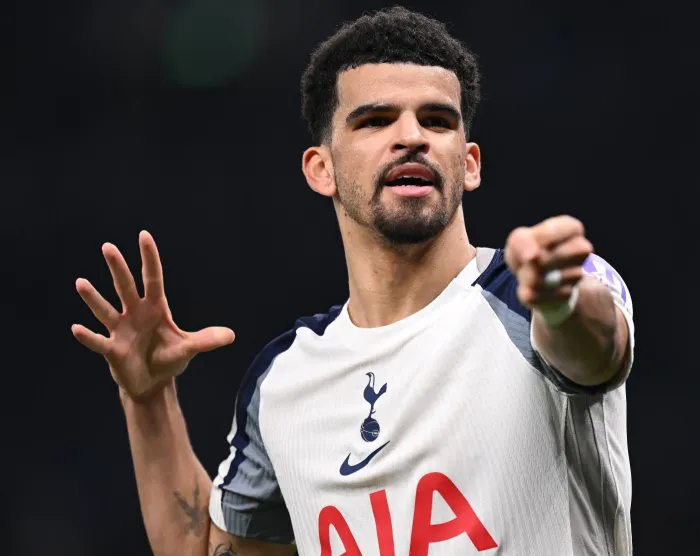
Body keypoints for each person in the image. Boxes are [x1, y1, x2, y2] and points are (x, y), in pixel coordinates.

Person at [71, 6, 635, 556]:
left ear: (469, 163)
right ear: (322, 169)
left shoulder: (537, 293)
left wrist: (560, 305)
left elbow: (596, 349)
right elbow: (207, 549)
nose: (412, 136)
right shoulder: (286, 381)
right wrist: (147, 399)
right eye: (376, 120)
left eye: (437, 120)